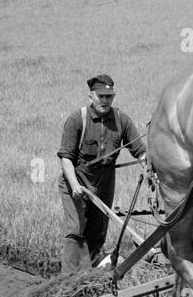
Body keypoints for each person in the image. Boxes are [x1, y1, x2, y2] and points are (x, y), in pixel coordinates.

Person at [57, 74, 148, 273]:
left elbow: (140, 151)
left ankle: (87, 278)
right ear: (91, 97)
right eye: (101, 96)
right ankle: (66, 282)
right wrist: (74, 186)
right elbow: (66, 158)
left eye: (109, 96)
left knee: (97, 233)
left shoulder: (121, 120)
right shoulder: (76, 119)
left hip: (105, 183)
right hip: (77, 180)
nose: (105, 101)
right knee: (76, 230)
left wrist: (148, 168)